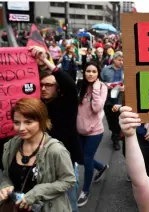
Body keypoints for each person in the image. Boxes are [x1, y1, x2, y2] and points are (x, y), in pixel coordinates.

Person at [30, 46, 83, 212]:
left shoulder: (67, 102)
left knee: (68, 201)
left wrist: (46, 60)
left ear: (58, 87)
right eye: (42, 85)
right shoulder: (38, 106)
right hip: (40, 162)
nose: (44, 88)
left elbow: (69, 84)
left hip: (64, 162)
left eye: (49, 85)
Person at [0, 98, 76, 211]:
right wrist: (5, 187)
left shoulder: (56, 150)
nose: (21, 128)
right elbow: (6, 175)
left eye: (28, 122)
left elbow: (68, 180)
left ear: (42, 121)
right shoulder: (10, 146)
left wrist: (37, 192)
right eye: (17, 122)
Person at [76, 61, 109, 207]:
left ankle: (85, 191)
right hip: (79, 130)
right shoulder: (80, 86)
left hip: (94, 131)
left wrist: (95, 89)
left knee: (87, 159)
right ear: (84, 72)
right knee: (81, 158)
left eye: (94, 71)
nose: (90, 74)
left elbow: (97, 108)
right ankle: (101, 167)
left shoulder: (102, 87)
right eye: (88, 71)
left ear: (98, 73)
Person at [101, 51, 124, 151]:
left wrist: (125, 87)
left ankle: (116, 139)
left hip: (120, 99)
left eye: (123, 60)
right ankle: (113, 131)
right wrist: (105, 85)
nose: (121, 62)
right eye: (119, 60)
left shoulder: (125, 70)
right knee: (110, 120)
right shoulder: (106, 70)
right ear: (114, 60)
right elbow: (100, 82)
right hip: (108, 99)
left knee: (118, 119)